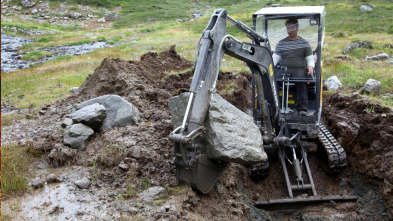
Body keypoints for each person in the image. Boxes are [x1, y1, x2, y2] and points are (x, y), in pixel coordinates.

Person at [272, 18, 314, 116]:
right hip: (284, 69)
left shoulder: (304, 43)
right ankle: (274, 106)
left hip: (299, 69)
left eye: (292, 27)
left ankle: (302, 108)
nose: (290, 30)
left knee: (302, 80)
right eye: (288, 28)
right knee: (274, 79)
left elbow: (310, 58)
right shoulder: (281, 43)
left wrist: (311, 66)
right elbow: (275, 58)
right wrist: (269, 68)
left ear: (297, 28)